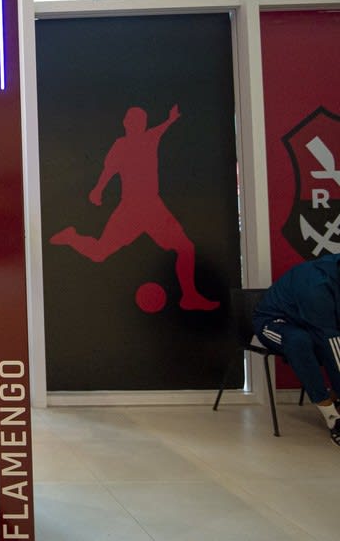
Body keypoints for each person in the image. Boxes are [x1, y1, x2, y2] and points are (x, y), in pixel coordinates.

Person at [49, 105, 219, 311]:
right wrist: (98, 190)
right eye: (134, 120)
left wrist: (171, 119)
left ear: (144, 124)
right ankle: (71, 237)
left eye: (141, 120)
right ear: (126, 123)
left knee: (186, 248)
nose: (138, 124)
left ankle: (189, 296)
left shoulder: (150, 138)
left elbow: (161, 128)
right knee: (99, 252)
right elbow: (108, 171)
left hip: (153, 206)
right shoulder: (120, 146)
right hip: (130, 207)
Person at [253, 252, 340, 445]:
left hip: (311, 323)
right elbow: (330, 338)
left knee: (314, 338)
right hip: (275, 322)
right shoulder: (317, 285)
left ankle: (335, 395)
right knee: (299, 341)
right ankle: (331, 414)